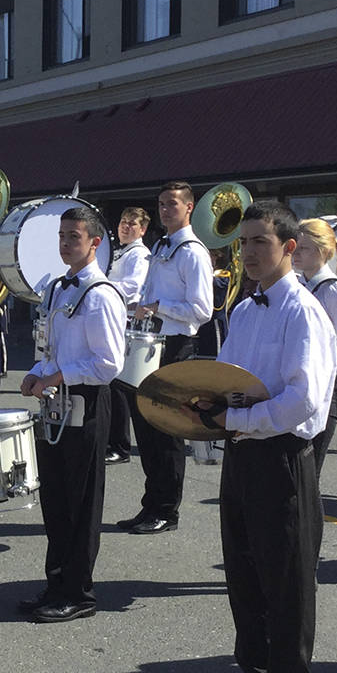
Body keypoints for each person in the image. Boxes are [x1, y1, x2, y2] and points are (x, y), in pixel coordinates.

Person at [198, 205, 336, 673]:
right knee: (245, 575)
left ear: (288, 247)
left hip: (282, 458)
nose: (250, 251)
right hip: (243, 455)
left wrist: (237, 419)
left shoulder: (302, 311)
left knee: (287, 584)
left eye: (260, 240)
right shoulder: (246, 309)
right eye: (244, 242)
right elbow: (229, 377)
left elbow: (304, 401)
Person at [18, 209, 126, 622]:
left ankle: (78, 592)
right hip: (55, 399)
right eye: (62, 236)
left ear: (95, 243)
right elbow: (48, 345)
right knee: (56, 498)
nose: (65, 244)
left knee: (81, 502)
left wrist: (60, 375)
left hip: (85, 400)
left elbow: (108, 363)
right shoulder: (56, 288)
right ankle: (56, 582)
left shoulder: (101, 294)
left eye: (74, 237)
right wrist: (37, 373)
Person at [120, 183, 212, 534]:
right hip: (152, 344)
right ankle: (151, 505)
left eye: (172, 204)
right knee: (146, 429)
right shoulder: (160, 245)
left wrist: (159, 308)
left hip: (175, 347)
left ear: (189, 208)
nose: (164, 209)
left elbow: (202, 310)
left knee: (168, 432)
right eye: (160, 203)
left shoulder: (192, 252)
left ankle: (167, 511)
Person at [292, 219, 337, 479]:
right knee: (292, 475)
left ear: (322, 252)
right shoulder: (297, 286)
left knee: (308, 477)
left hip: (326, 390)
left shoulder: (336, 292)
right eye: (295, 248)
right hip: (295, 389)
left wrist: (314, 362)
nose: (296, 254)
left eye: (304, 249)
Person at [105, 207, 150, 464]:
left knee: (120, 388)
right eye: (123, 222)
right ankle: (112, 441)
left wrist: (102, 287)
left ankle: (120, 446)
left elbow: (133, 287)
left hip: (126, 323)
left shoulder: (140, 255)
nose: (126, 227)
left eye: (132, 224)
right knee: (112, 386)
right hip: (114, 321)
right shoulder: (119, 253)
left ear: (142, 230)